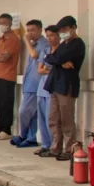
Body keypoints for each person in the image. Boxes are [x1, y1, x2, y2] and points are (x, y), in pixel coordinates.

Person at [40, 15, 87, 161]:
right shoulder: (64, 44)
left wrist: (57, 60)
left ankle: (70, 149)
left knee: (67, 120)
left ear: (73, 28)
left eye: (65, 29)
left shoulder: (77, 44)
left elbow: (56, 58)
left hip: (67, 85)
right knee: (53, 119)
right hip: (55, 85)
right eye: (60, 30)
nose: (62, 33)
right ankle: (55, 148)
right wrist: (60, 62)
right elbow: (50, 58)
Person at [12, 20, 49, 148]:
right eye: (27, 30)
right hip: (29, 82)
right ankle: (31, 138)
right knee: (33, 114)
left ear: (40, 30)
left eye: (32, 30)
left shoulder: (44, 44)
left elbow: (34, 55)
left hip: (36, 84)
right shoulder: (34, 44)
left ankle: (23, 135)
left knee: (23, 111)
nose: (29, 33)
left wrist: (26, 41)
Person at [0, 13, 21, 140]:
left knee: (6, 103)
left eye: (3, 23)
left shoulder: (13, 39)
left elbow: (4, 58)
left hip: (8, 76)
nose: (0, 25)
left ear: (10, 23)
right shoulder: (0, 39)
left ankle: (6, 130)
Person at [33, 25, 59, 156]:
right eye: (47, 36)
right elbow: (40, 69)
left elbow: (54, 70)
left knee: (51, 119)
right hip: (42, 87)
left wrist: (48, 70)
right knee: (42, 118)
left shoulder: (61, 51)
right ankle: (45, 144)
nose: (49, 38)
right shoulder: (45, 50)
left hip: (53, 88)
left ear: (58, 35)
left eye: (52, 35)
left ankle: (54, 145)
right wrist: (51, 70)